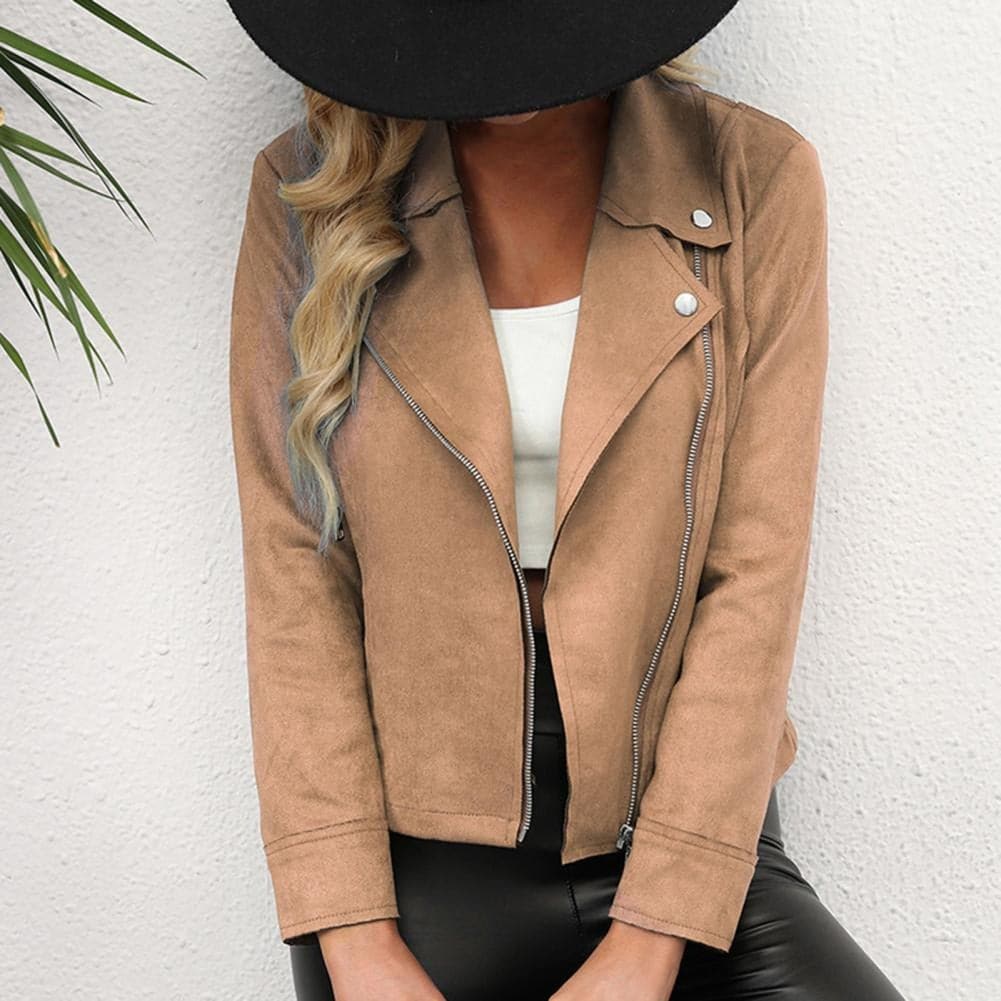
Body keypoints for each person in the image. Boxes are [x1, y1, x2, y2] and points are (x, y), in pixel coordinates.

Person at [225, 2, 909, 999]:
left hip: (687, 836)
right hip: (418, 870)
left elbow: (755, 576)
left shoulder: (751, 176)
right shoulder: (308, 194)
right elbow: (294, 571)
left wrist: (649, 939)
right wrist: (355, 937)